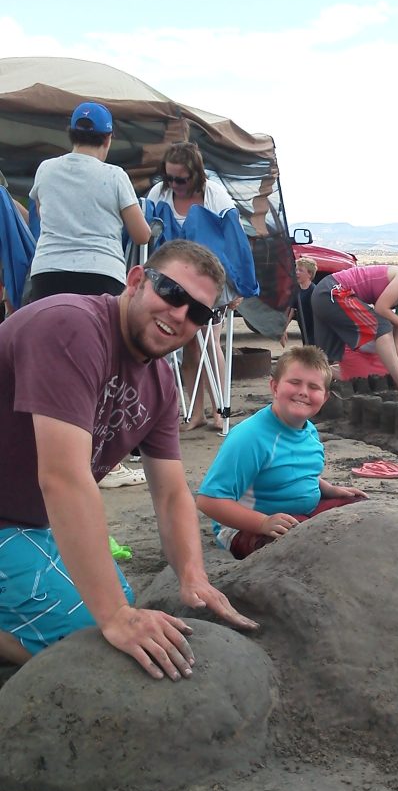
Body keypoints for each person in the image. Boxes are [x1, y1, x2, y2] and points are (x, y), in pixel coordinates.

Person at [0, 239, 256, 674]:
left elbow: (172, 493)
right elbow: (63, 477)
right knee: (89, 634)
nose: (180, 315)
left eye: (198, 313)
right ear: (136, 280)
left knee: (121, 602)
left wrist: (192, 575)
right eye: (172, 293)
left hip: (28, 521)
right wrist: (114, 617)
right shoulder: (72, 327)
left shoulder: (159, 382)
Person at [196, 346, 368, 560]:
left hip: (300, 516)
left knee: (361, 512)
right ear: (274, 387)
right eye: (295, 382)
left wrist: (330, 489)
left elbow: (296, 471)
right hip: (249, 527)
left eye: (313, 387)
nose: (303, 392)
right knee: (298, 543)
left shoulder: (309, 431)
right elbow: (209, 500)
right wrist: (262, 523)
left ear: (324, 398)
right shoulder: (250, 437)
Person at [147, 141, 238, 430]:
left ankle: (220, 410)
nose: (174, 184)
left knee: (210, 341)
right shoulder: (159, 193)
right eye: (169, 177)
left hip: (209, 281)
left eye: (181, 179)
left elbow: (234, 242)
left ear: (196, 175)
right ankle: (196, 413)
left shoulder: (215, 196)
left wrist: (235, 288)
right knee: (187, 346)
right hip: (174, 281)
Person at [28, 102, 151, 300]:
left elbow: (42, 214)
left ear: (71, 133)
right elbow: (142, 235)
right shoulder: (115, 176)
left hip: (48, 271)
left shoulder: (46, 169)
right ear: (108, 138)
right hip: (101, 273)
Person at [311, 263, 398, 394]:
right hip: (332, 291)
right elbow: (381, 309)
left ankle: (309, 381)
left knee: (328, 355)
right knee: (382, 326)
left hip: (327, 297)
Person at [281, 256, 317, 346]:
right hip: (304, 329)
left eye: (301, 270)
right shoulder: (297, 290)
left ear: (309, 274)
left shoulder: (314, 291)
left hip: (316, 331)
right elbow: (291, 310)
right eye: (296, 270)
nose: (297, 273)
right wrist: (283, 329)